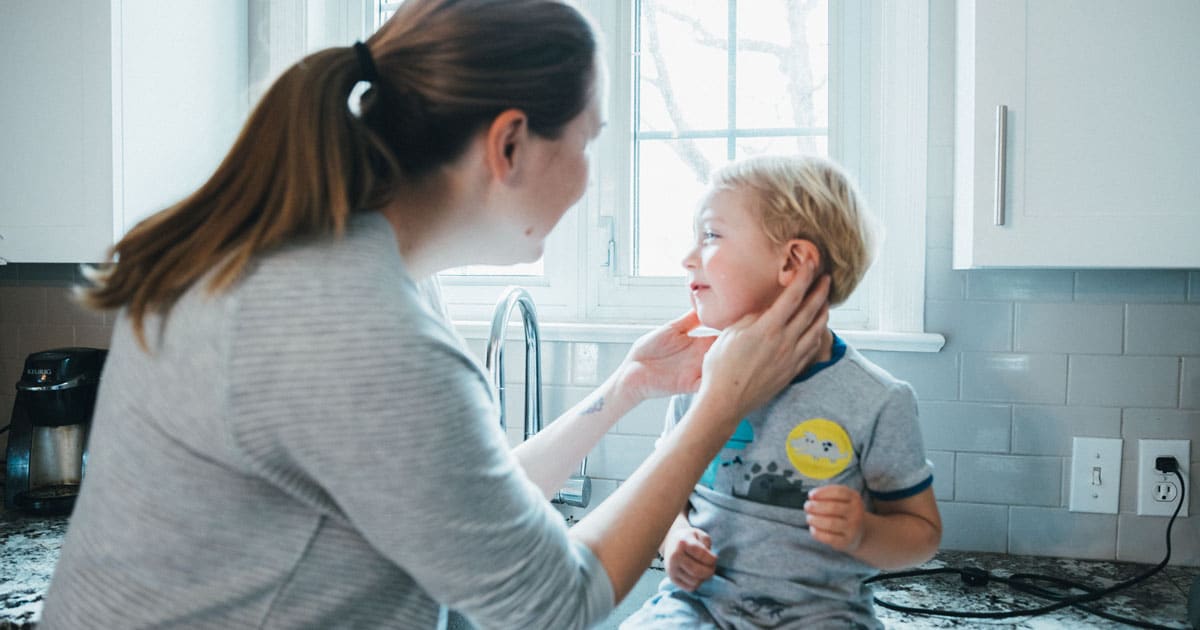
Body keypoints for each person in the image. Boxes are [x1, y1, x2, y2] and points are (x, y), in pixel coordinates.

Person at [38, 1, 833, 629]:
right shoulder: (363, 328)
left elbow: (465, 514)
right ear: (510, 144)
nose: (591, 179)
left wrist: (624, 390)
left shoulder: (336, 265)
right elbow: (549, 602)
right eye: (587, 143)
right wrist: (719, 405)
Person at [621, 155, 941, 629]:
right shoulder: (700, 378)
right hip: (697, 606)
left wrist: (864, 532)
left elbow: (922, 532)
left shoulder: (877, 399)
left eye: (710, 235)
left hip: (822, 616)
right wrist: (676, 542)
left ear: (792, 262)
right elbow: (669, 499)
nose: (688, 257)